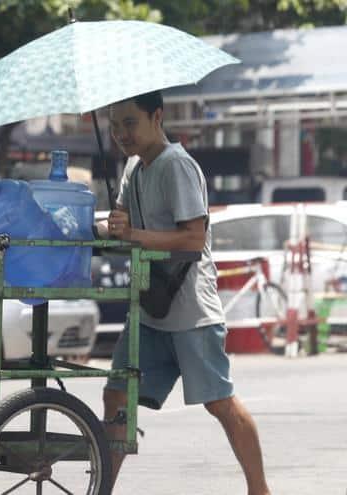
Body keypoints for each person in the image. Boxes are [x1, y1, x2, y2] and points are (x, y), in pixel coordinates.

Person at [97, 90, 270, 495]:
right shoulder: (133, 169)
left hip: (191, 308)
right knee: (116, 395)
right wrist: (100, 227)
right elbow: (120, 224)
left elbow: (193, 239)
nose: (122, 133)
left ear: (157, 117)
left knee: (219, 403)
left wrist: (134, 235)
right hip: (149, 308)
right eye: (114, 125)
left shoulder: (177, 166)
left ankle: (260, 490)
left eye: (130, 123)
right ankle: (102, 489)